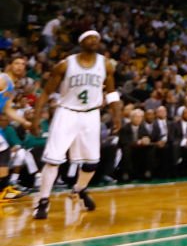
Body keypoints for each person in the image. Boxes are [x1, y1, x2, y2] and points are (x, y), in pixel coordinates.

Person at [32, 31, 122, 220]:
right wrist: (36, 119)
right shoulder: (65, 65)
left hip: (91, 114)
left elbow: (112, 93)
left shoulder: (105, 64)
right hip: (67, 113)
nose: (95, 41)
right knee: (53, 160)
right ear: (81, 42)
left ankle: (79, 189)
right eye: (90, 38)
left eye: (97, 38)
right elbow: (46, 93)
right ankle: (43, 201)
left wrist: (117, 116)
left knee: (92, 162)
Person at [1, 57, 33, 200]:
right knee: (4, 151)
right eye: (16, 63)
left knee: (4, 152)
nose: (20, 66)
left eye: (22, 64)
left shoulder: (12, 86)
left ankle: (4, 188)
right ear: (9, 65)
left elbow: (8, 109)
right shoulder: (3, 79)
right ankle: (3, 189)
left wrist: (24, 122)